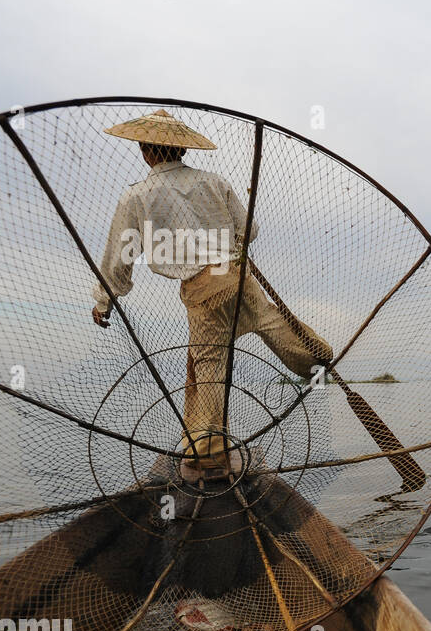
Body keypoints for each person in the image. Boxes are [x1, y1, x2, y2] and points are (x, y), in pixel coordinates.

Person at [93, 109, 330, 481]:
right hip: (235, 274)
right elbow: (248, 231)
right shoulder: (214, 182)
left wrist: (105, 299)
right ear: (181, 151)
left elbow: (121, 254)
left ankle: (208, 452)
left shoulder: (137, 196)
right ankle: (316, 358)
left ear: (145, 150)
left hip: (203, 289)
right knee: (270, 321)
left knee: (209, 367)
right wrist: (227, 243)